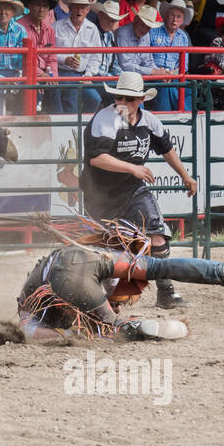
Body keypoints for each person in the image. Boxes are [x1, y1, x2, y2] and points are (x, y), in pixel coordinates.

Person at [79, 71, 199, 309]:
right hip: (100, 194)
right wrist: (133, 168)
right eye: (120, 97)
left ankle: (166, 292)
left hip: (133, 191)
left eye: (129, 99)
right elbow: (97, 159)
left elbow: (166, 149)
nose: (123, 103)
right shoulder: (106, 119)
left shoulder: (149, 122)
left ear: (140, 100)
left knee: (157, 233)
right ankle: (106, 299)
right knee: (110, 248)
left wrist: (186, 176)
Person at [16, 220, 224, 342]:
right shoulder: (94, 255)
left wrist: (65, 335)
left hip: (73, 271)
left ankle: (140, 327)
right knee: (158, 266)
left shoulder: (31, 298)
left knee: (111, 327)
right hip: (87, 259)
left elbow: (28, 330)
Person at [52, 0, 102, 113]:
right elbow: (49, 53)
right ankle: (72, 125)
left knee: (94, 99)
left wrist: (88, 75)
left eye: (82, 8)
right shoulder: (56, 26)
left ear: (88, 10)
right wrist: (65, 59)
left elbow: (96, 57)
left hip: (81, 75)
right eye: (76, 7)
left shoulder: (92, 29)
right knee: (71, 97)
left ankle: (83, 125)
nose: (79, 11)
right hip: (60, 72)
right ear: (70, 8)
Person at [149, 0, 193, 112]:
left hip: (174, 76)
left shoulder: (183, 37)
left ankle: (183, 114)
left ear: (182, 20)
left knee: (192, 87)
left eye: (178, 17)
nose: (175, 19)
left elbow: (184, 65)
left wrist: (172, 74)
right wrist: (160, 72)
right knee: (167, 87)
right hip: (154, 75)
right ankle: (182, 115)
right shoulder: (153, 31)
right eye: (172, 15)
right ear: (166, 16)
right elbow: (146, 57)